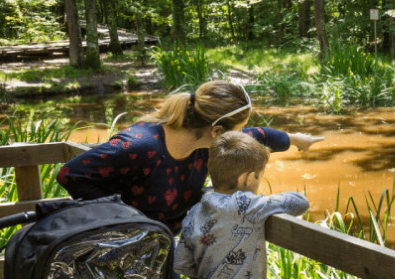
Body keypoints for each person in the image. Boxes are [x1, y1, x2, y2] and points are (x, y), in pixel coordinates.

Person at [56, 80, 321, 233]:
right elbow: (70, 174)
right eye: (236, 131)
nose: (241, 136)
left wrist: (298, 139)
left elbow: (260, 135)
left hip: (159, 249)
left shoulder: (210, 144)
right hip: (122, 250)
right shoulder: (140, 146)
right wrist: (125, 219)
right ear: (216, 130)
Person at [173, 131, 309, 279]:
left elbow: (182, 264)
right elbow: (299, 202)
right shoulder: (248, 205)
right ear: (248, 178)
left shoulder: (195, 211)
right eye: (259, 177)